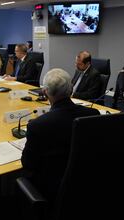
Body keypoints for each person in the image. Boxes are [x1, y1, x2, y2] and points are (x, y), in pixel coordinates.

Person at [21, 68, 99, 202]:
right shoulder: (93, 114)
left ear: (45, 93)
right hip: (87, 183)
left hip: (50, 191)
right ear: (71, 89)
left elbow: (28, 164)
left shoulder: (37, 125)